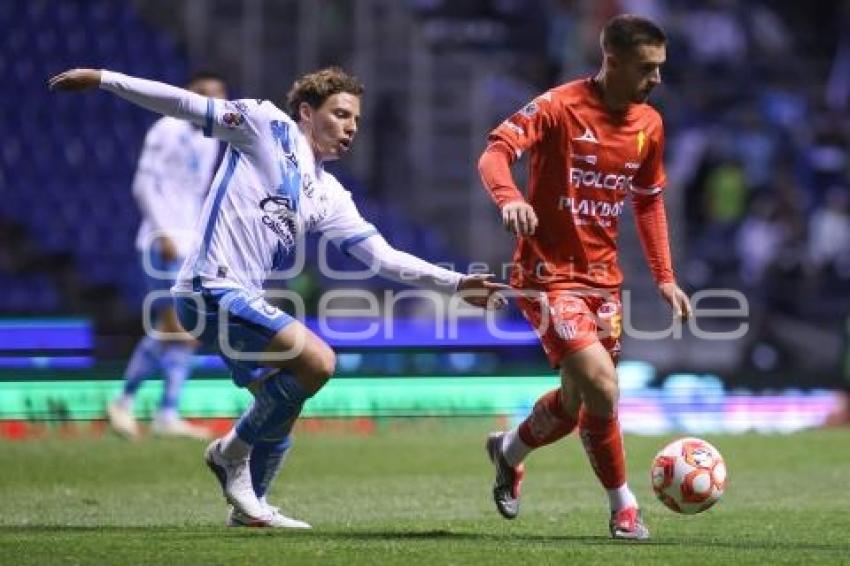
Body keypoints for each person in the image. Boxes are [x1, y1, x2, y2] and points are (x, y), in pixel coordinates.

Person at [50, 66, 507, 529]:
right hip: (209, 286)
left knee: (281, 405)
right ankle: (229, 454)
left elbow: (382, 257)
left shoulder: (328, 194)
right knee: (318, 362)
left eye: (356, 121)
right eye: (341, 114)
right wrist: (105, 78)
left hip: (237, 298)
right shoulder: (265, 125)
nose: (350, 127)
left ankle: (250, 508)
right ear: (307, 112)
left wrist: (454, 284)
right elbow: (184, 105)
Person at [477, 14, 692, 540]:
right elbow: (496, 152)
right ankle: (624, 506)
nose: (657, 80)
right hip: (547, 276)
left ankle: (508, 452)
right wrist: (509, 199)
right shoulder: (558, 106)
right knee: (602, 385)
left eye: (661, 68)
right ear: (612, 61)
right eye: (647, 68)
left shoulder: (649, 126)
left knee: (576, 407)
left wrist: (664, 276)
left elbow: (648, 202)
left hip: (603, 280)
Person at [107, 72, 227, 441]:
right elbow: (142, 185)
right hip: (162, 242)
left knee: (186, 329)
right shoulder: (165, 129)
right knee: (175, 324)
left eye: (219, 97)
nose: (213, 104)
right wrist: (163, 232)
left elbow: (200, 194)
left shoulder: (212, 141)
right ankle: (125, 402)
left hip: (189, 243)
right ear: (187, 96)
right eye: (205, 95)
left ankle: (166, 412)